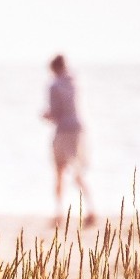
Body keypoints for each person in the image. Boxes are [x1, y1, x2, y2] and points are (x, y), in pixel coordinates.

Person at [42, 54, 95, 227]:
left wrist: (45, 115)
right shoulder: (75, 82)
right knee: (78, 172)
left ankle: (59, 213)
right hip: (79, 129)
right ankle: (91, 209)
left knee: (59, 172)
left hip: (63, 130)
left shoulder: (54, 85)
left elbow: (55, 113)